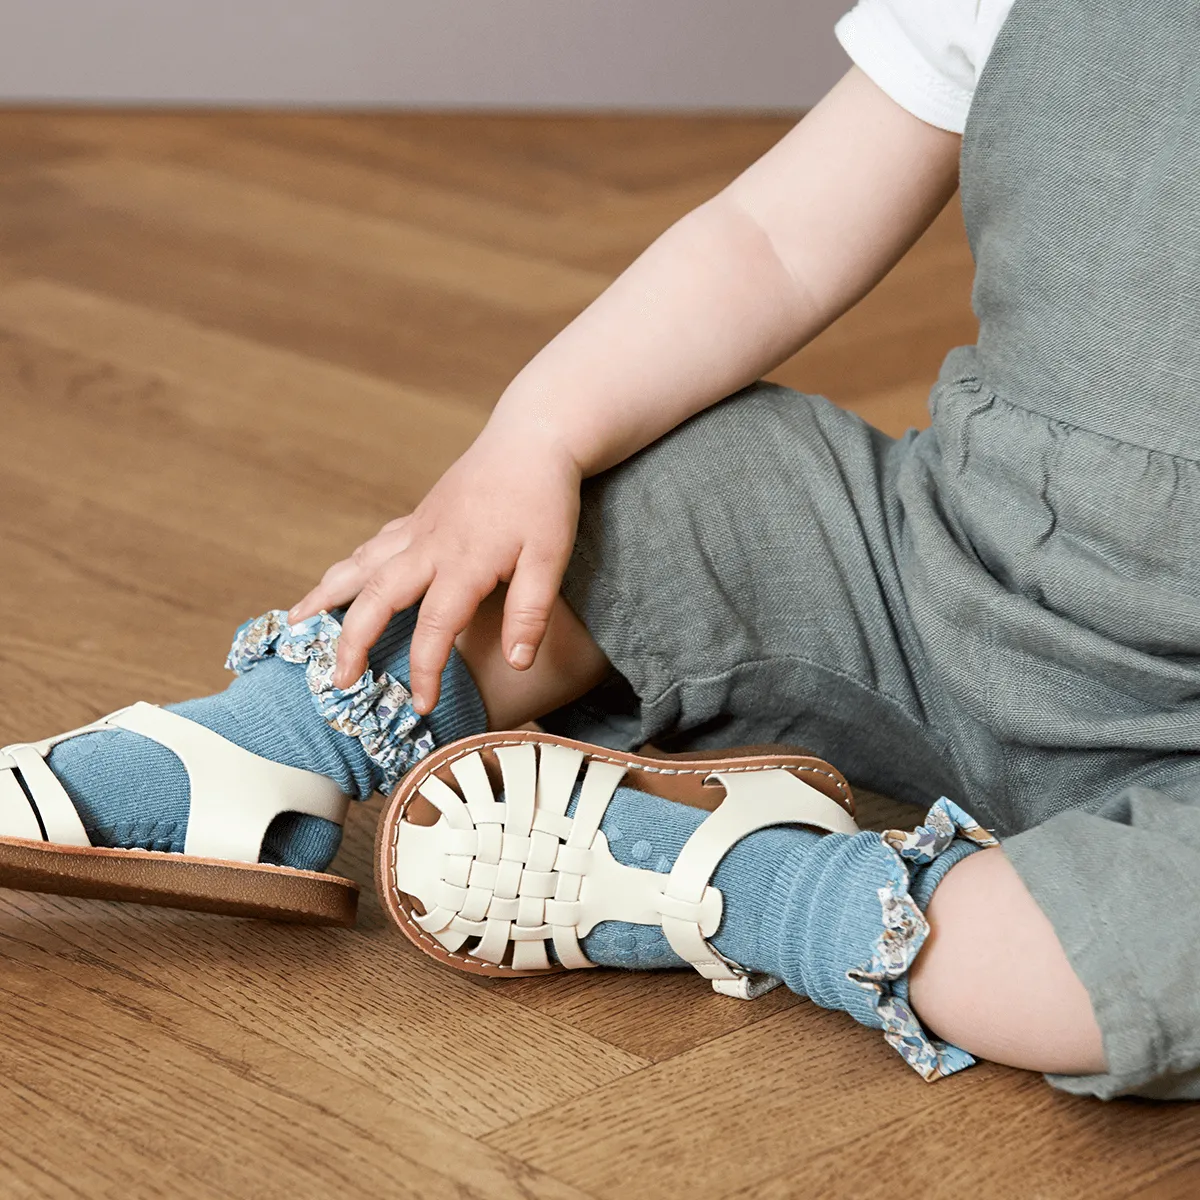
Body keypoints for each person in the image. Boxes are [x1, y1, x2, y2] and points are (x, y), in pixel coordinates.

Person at [5, 0, 1198, 1100]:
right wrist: (537, 432)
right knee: (687, 475)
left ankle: (749, 883)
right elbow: (774, 238)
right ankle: (273, 749)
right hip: (938, 570)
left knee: (1151, 957)